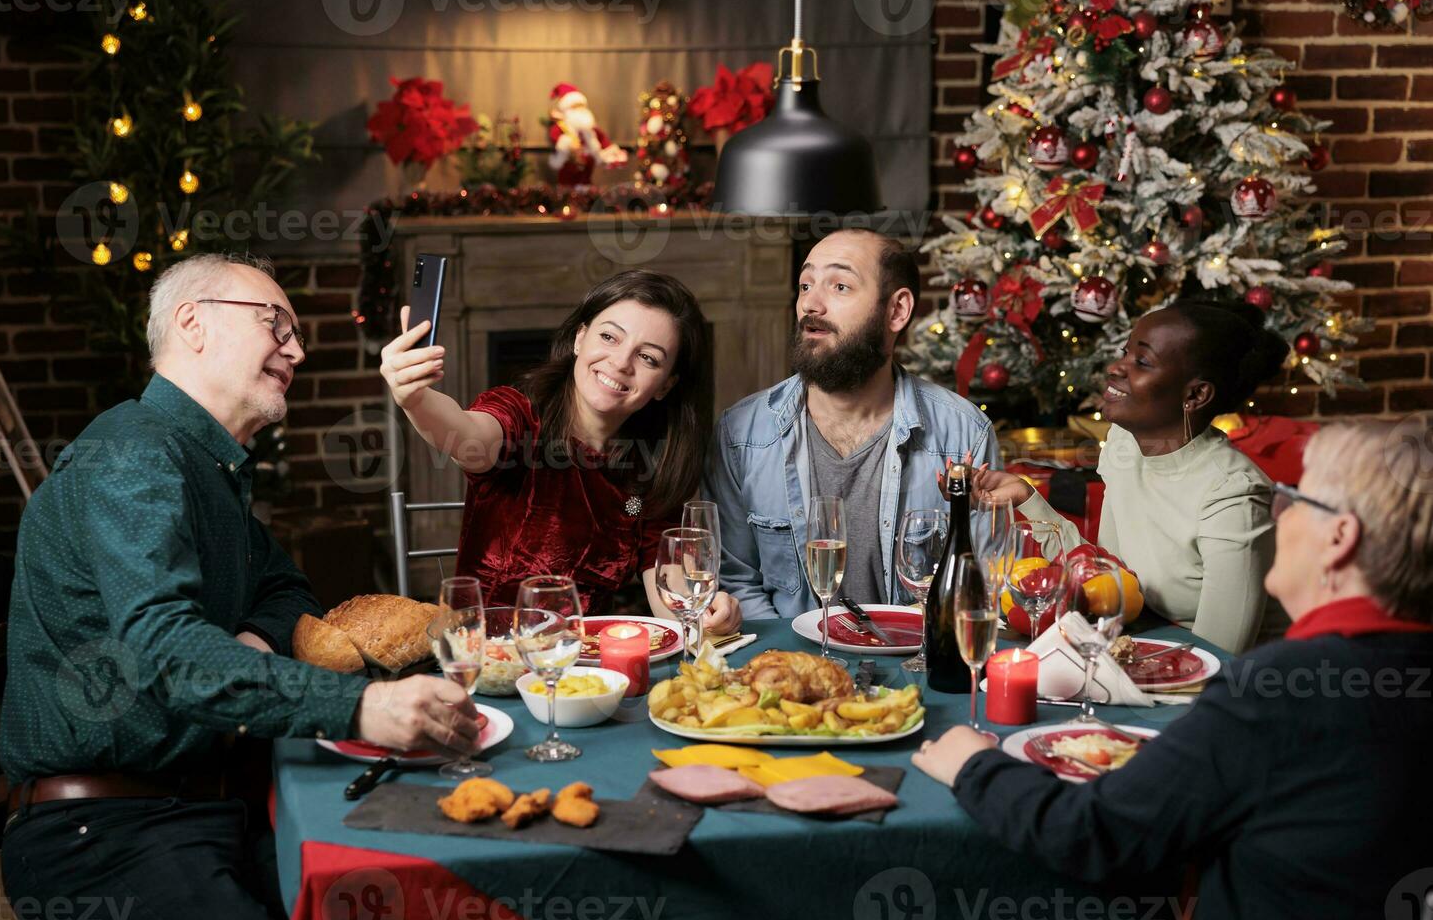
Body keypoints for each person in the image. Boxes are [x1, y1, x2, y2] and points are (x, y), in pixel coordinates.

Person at [0, 254, 481, 920]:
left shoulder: (206, 465)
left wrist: (251, 636)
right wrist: (364, 707)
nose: (296, 347)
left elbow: (288, 591)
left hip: (212, 804)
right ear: (192, 323)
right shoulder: (130, 454)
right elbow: (166, 651)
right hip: (100, 835)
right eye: (274, 323)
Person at [913, 417, 1433, 920]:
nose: (1279, 514)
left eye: (1296, 497)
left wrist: (975, 765)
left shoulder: (1281, 692)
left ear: (1339, 538)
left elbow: (1093, 835)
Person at [379, 268, 741, 631]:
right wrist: (415, 398)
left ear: (666, 385)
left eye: (648, 358)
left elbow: (672, 596)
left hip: (590, 670)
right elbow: (463, 435)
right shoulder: (519, 419)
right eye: (609, 337)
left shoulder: (647, 469)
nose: (620, 363)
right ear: (580, 338)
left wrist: (708, 615)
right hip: (489, 659)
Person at [704, 228, 999, 620]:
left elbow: (983, 583)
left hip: (915, 665)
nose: (811, 303)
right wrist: (797, 667)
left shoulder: (963, 434)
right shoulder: (740, 433)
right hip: (788, 664)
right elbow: (735, 582)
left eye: (840, 286)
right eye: (805, 284)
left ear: (897, 311)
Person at [966, 300, 1288, 653]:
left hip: (1221, 686)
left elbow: (1217, 655)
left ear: (1195, 394)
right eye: (1125, 352)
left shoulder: (1233, 493)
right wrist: (1027, 499)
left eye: (1142, 362)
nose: (1117, 367)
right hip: (1140, 648)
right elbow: (1108, 579)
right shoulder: (1124, 447)